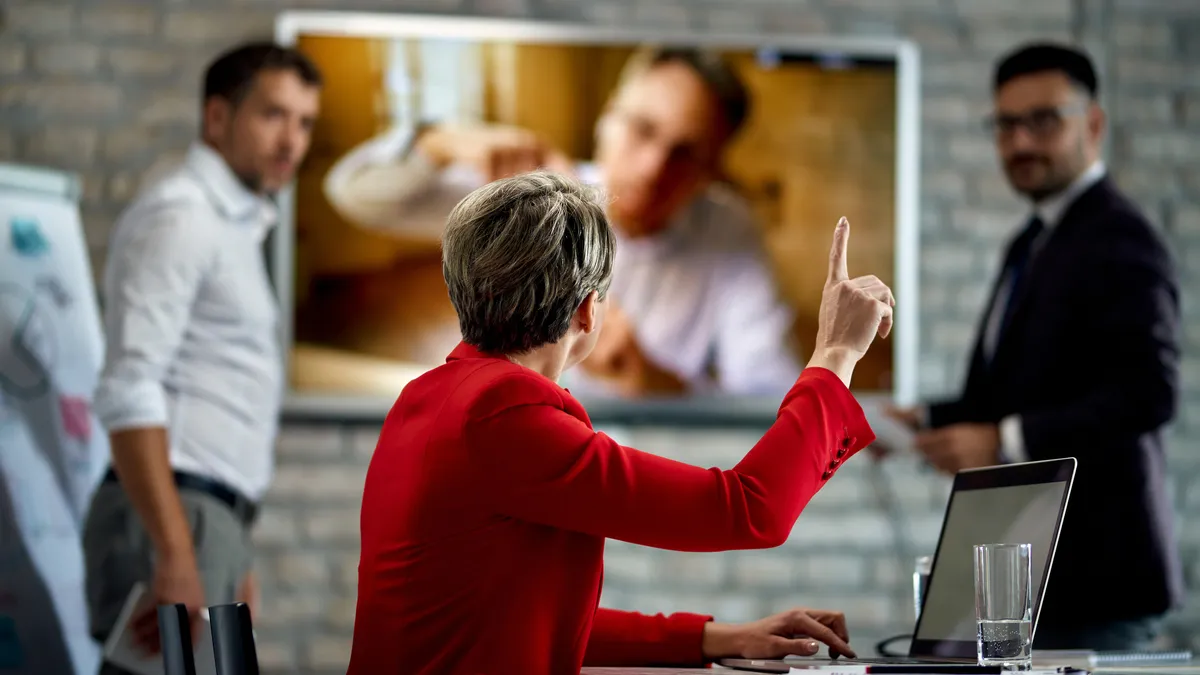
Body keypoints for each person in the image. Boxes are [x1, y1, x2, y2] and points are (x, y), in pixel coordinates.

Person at [348, 171, 895, 675]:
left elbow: (524, 615)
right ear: (588, 310)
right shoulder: (501, 414)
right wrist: (836, 353)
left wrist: (720, 638)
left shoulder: (429, 399)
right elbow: (751, 509)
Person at [885, 43, 1183, 649]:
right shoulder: (1033, 240)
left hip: (1097, 577)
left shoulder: (1119, 236)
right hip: (1027, 575)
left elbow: (1149, 393)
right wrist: (923, 421)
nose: (1020, 142)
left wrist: (1002, 439)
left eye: (1043, 121)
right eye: (1006, 125)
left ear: (1093, 124)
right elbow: (1013, 390)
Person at [323, 46, 802, 397]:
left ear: (711, 171)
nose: (652, 169)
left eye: (686, 153)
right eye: (643, 129)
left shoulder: (731, 235)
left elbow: (769, 398)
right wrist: (442, 140)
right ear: (606, 119)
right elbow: (354, 195)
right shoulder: (534, 195)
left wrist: (652, 381)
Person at [83, 43, 322, 673]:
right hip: (175, 515)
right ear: (217, 117)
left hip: (210, 520)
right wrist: (178, 552)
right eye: (273, 115)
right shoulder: (181, 217)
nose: (291, 140)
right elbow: (128, 388)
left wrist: (231, 554)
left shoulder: (236, 227)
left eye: (304, 122)